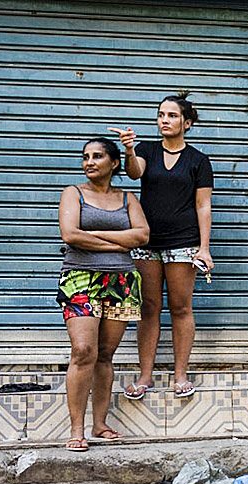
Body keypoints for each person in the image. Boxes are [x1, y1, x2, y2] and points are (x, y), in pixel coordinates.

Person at [110, 91, 214, 400]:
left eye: (171, 115)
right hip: (147, 241)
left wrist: (204, 248)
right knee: (149, 309)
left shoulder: (198, 160)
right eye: (161, 115)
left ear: (187, 123)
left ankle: (180, 375)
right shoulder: (146, 150)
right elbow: (134, 172)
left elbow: (203, 205)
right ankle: (146, 377)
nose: (164, 120)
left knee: (181, 308)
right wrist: (128, 149)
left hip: (183, 243)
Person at [57, 138, 150, 452]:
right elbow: (70, 234)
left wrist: (93, 236)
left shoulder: (127, 198)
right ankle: (76, 429)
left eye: (97, 156)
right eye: (85, 157)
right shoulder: (74, 193)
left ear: (114, 163)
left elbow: (142, 235)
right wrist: (118, 243)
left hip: (121, 282)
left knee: (105, 355)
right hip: (80, 278)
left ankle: (99, 424)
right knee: (84, 350)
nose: (89, 162)